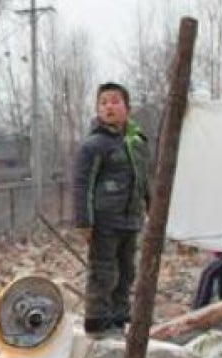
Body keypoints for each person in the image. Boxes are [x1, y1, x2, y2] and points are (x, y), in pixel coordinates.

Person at [72, 82, 151, 337]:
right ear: (98, 109)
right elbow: (82, 184)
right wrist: (84, 222)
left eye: (115, 101)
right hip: (105, 221)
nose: (109, 107)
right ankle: (96, 320)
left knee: (127, 271)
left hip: (131, 220)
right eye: (104, 102)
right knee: (103, 271)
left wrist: (152, 210)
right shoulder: (93, 145)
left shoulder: (137, 143)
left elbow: (144, 180)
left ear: (127, 108)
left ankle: (119, 316)